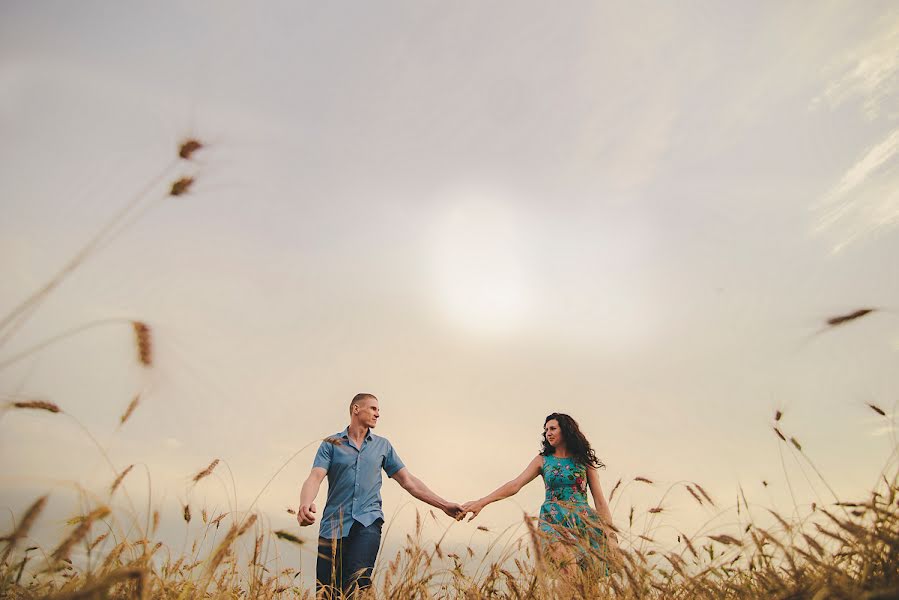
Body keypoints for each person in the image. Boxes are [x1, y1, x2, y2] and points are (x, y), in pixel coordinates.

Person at [297, 393, 464, 597]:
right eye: (373, 408)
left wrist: (444, 505)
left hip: (368, 523)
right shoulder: (331, 444)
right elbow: (315, 477)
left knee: (357, 585)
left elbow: (408, 481)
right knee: (326, 592)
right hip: (332, 527)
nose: (378, 414)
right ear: (356, 409)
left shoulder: (383, 446)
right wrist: (305, 504)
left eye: (378, 410)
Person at [461, 412, 618, 574]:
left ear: (566, 430)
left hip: (583, 523)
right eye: (546, 430)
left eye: (553, 428)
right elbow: (515, 484)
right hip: (553, 522)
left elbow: (599, 501)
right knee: (568, 569)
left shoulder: (583, 461)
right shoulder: (543, 460)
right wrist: (482, 502)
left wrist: (610, 535)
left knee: (585, 583)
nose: (548, 433)